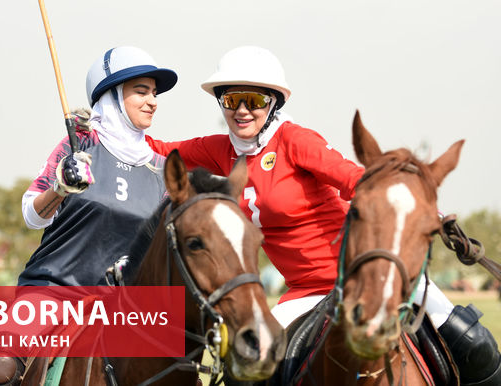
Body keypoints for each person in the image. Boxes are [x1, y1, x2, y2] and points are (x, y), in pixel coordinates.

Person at [145, 46, 500, 386]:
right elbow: (155, 150)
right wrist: (96, 129)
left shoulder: (295, 140)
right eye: (231, 99)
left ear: (273, 104)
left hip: (365, 275)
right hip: (303, 293)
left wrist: (421, 208)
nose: (241, 110)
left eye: (253, 100)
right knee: (247, 368)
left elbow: (352, 178)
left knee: (474, 344)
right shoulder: (218, 148)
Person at [0, 46, 178, 386]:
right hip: (54, 292)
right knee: (1, 368)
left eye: (154, 93)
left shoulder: (160, 171)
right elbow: (31, 214)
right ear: (111, 97)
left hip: (121, 307)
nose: (152, 101)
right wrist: (61, 187)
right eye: (141, 91)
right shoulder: (78, 146)